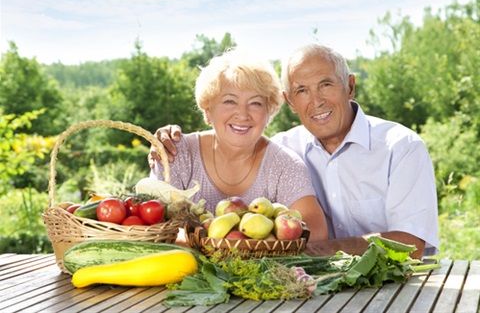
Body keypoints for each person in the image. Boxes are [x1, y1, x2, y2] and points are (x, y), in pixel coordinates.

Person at [149, 44, 439, 259]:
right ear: (289, 101)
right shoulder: (286, 147)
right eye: (302, 91)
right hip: (312, 283)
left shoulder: (401, 147)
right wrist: (165, 141)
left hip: (396, 285)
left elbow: (411, 245)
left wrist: (319, 250)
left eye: (326, 84)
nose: (316, 102)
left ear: (349, 86)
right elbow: (152, 228)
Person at [150, 48, 328, 243]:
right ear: (208, 111)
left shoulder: (285, 164)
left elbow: (316, 233)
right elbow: (153, 226)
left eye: (255, 103)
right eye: (229, 101)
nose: (242, 114)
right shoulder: (177, 153)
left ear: (268, 114)